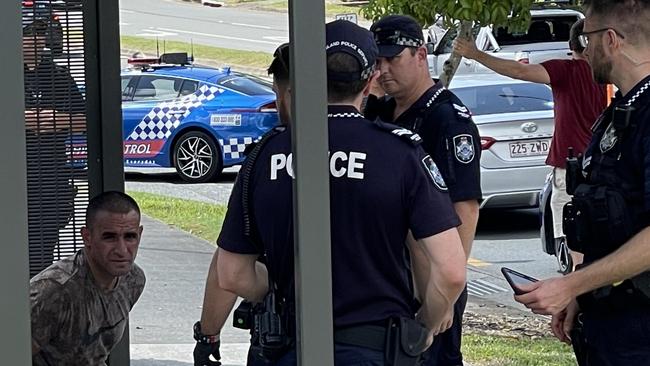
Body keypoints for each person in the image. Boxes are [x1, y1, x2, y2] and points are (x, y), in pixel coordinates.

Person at [193, 20, 467, 366]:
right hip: (377, 348)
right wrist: (424, 326)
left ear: (304, 77)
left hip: (291, 347)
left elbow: (232, 272)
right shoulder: (401, 154)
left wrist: (282, 287)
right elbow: (452, 270)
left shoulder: (265, 155)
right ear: (370, 83)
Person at [514, 0, 650, 364]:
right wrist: (582, 293)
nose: (581, 51)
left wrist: (570, 285)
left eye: (586, 39)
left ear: (610, 40)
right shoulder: (620, 112)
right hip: (611, 323)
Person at [365, 14, 481, 366]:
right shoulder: (380, 112)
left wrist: (444, 294)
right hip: (388, 276)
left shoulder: (446, 119)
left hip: (432, 281)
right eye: (377, 61)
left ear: (420, 54)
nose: (383, 70)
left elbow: (465, 210)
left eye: (393, 59)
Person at [454, 19, 608, 271]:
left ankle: (576, 278)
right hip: (604, 164)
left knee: (572, 229)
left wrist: (475, 54)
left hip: (570, 166)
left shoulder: (566, 71)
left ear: (575, 45)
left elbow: (520, 71)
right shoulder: (612, 75)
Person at [30, 191, 146, 365]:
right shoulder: (53, 291)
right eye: (109, 237)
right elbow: (9, 353)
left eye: (130, 237)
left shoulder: (133, 280)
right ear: (87, 237)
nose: (122, 250)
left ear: (140, 234)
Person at [22, 10, 85, 276]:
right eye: (28, 33)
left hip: (50, 183)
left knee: (42, 257)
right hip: (16, 181)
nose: (35, 39)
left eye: (39, 32)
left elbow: (85, 121)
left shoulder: (58, 76)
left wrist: (57, 119)